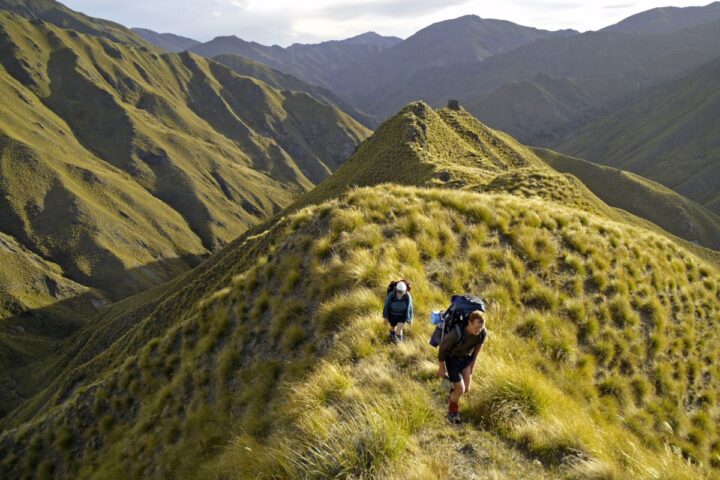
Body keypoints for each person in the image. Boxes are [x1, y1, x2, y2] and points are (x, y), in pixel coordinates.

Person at [437, 310, 487, 424]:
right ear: (469, 323)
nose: (479, 330)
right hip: (452, 360)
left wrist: (473, 362)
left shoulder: (482, 333)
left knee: (466, 389)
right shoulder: (456, 334)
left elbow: (479, 345)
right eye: (476, 327)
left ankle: (452, 393)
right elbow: (443, 349)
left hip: (466, 360)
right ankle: (452, 412)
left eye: (481, 328)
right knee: (460, 389)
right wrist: (441, 367)